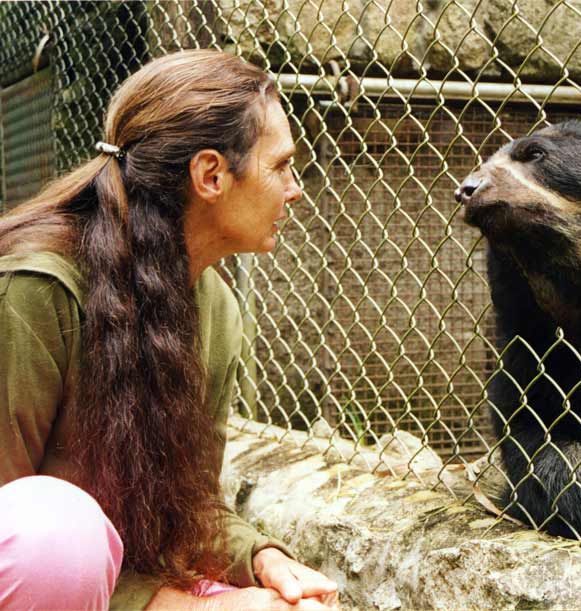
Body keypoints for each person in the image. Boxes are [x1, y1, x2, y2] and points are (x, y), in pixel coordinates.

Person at [0, 49, 339, 611]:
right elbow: (21, 545)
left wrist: (263, 561)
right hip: (44, 566)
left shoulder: (216, 308)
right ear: (210, 175)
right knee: (55, 531)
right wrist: (182, 606)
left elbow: (189, 509)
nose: (295, 189)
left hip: (110, 584)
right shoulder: (35, 291)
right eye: (280, 166)